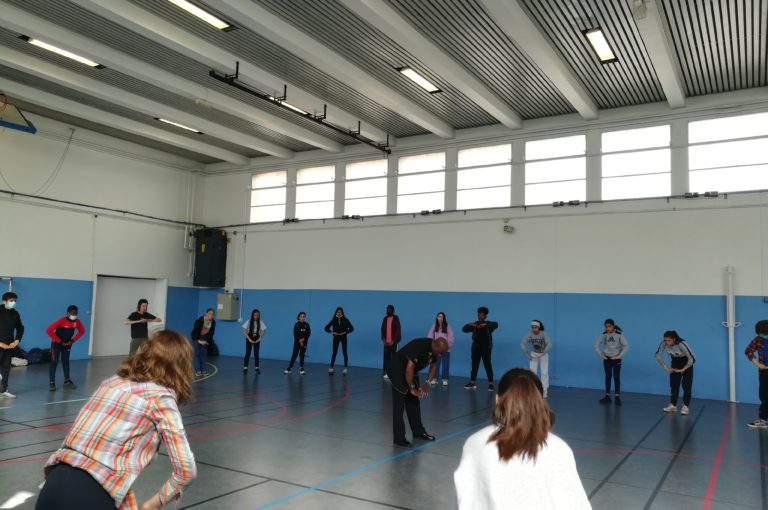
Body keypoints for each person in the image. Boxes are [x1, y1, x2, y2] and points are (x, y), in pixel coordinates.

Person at [36, 330, 197, 510]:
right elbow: (186, 471)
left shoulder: (112, 383)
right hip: (91, 494)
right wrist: (152, 505)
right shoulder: (161, 398)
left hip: (53, 485)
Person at [454, 368, 591, 510]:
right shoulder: (560, 449)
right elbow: (576, 503)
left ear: (497, 400)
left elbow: (466, 499)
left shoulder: (475, 443)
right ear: (541, 402)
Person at [386, 337, 448, 447]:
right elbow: (408, 369)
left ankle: (418, 432)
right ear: (435, 345)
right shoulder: (420, 346)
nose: (440, 356)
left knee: (414, 401)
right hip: (397, 368)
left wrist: (427, 383)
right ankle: (399, 438)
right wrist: (412, 388)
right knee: (399, 404)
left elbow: (434, 366)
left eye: (442, 354)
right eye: (440, 353)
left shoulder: (436, 351)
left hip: (410, 370)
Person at [45, 305, 86, 391]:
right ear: (68, 313)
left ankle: (67, 381)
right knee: (54, 362)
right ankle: (52, 382)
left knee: (66, 361)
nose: (74, 315)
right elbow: (48, 330)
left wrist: (72, 341)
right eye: (73, 313)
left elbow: (82, 331)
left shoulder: (77, 322)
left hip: (67, 344)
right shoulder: (62, 320)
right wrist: (59, 341)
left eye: (76, 313)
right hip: (56, 344)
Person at [656, 330, 696, 415]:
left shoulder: (682, 344)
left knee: (686, 385)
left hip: (686, 363)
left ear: (674, 339)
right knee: (674, 385)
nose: (667, 342)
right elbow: (658, 355)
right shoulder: (663, 343)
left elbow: (692, 359)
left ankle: (685, 406)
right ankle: (673, 405)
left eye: (669, 340)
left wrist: (683, 369)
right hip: (675, 362)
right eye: (665, 340)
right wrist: (665, 367)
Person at [462, 306, 498, 391]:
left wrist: (483, 325)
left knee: (487, 365)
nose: (480, 316)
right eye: (479, 314)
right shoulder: (475, 324)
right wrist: (470, 325)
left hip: (486, 348)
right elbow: (464, 329)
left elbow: (496, 324)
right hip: (475, 348)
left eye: (482, 315)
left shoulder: (489, 324)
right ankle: (472, 383)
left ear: (485, 316)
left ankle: (491, 384)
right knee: (474, 365)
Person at [594, 318, 629, 406]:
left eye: (609, 327)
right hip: (607, 359)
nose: (607, 328)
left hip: (616, 359)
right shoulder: (604, 334)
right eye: (606, 327)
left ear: (613, 326)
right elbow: (596, 343)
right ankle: (607, 396)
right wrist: (600, 354)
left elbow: (626, 346)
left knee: (616, 377)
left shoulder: (619, 334)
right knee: (608, 377)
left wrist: (619, 356)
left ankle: (617, 397)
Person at [744, 319, 768, 428]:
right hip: (764, 371)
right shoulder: (758, 339)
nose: (763, 336)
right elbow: (748, 350)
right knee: (764, 395)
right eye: (761, 334)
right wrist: (757, 364)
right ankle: (763, 419)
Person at [521, 320, 553, 398]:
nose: (534, 329)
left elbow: (549, 344)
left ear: (539, 327)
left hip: (543, 354)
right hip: (534, 354)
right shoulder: (530, 334)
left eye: (535, 327)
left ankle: (544, 390)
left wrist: (544, 352)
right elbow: (523, 343)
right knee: (532, 372)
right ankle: (533, 390)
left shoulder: (543, 334)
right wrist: (526, 354)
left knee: (544, 372)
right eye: (532, 327)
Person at [0, 292, 23, 399]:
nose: (13, 302)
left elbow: (20, 328)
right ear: (4, 301)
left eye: (15, 301)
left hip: (9, 346)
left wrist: (16, 341)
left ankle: (3, 390)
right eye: (11, 301)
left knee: (6, 368)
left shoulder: (15, 314)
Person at [427, 312, 454, 386]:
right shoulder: (434, 326)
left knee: (445, 364)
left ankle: (445, 379)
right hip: (436, 349)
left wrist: (448, 346)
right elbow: (430, 336)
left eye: (442, 317)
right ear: (437, 317)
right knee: (435, 364)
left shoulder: (447, 326)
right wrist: (431, 345)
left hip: (446, 349)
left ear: (444, 318)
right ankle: (434, 378)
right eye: (439, 316)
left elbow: (451, 337)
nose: (440, 318)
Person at [325, 307, 354, 375]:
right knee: (334, 352)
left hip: (343, 337)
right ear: (336, 313)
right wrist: (332, 332)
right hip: (336, 338)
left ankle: (345, 368)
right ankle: (331, 368)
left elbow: (352, 328)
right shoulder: (334, 320)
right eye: (338, 312)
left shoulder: (346, 320)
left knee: (344, 352)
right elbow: (326, 328)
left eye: (340, 312)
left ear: (342, 313)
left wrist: (345, 332)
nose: (339, 313)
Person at [191, 308, 216, 377]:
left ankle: (203, 371)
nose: (211, 315)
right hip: (197, 337)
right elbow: (195, 331)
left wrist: (207, 341)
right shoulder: (199, 320)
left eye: (213, 314)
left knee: (203, 355)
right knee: (197, 354)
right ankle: (198, 371)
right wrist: (199, 340)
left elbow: (211, 333)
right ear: (206, 314)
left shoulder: (213, 322)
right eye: (210, 313)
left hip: (205, 338)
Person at [242, 309, 267, 374]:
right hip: (249, 337)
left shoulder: (260, 322)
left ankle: (256, 367)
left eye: (257, 315)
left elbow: (264, 331)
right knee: (248, 352)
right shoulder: (248, 321)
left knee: (256, 353)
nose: (256, 316)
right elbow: (244, 331)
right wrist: (249, 339)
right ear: (252, 315)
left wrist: (259, 338)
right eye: (255, 315)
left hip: (256, 338)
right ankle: (245, 367)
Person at [380, 305, 401, 380]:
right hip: (386, 343)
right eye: (387, 310)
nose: (387, 311)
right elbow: (382, 329)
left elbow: (398, 330)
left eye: (389, 310)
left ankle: (395, 373)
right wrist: (383, 340)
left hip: (394, 342)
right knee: (387, 358)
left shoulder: (396, 318)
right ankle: (387, 373)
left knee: (394, 358)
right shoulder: (385, 319)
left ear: (393, 311)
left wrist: (394, 341)